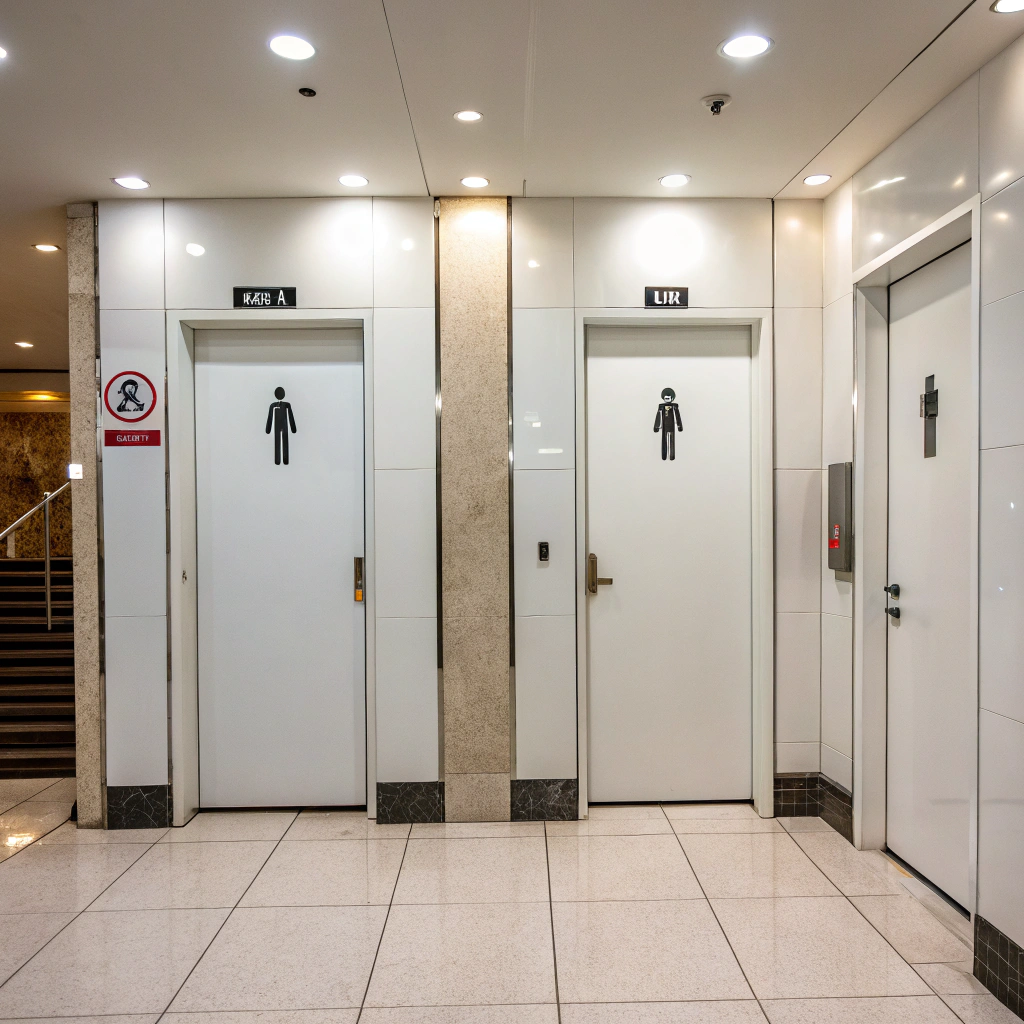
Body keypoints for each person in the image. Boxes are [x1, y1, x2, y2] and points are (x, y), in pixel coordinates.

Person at [265, 387, 297, 465]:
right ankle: (279, 460)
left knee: (281, 441)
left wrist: (293, 428)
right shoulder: (274, 405)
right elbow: (270, 417)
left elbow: (290, 416)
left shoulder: (285, 405)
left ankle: (282, 460)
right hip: (281, 425)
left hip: (281, 425)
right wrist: (293, 428)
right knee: (279, 441)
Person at [653, 387, 683, 461]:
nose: (667, 399)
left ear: (672, 398)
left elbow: (677, 416)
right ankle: (664, 455)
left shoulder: (674, 406)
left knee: (672, 440)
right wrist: (656, 426)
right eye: (665, 398)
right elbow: (658, 416)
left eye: (668, 398)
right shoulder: (661, 406)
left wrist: (679, 426)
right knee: (664, 441)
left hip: (672, 425)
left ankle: (672, 456)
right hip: (664, 426)